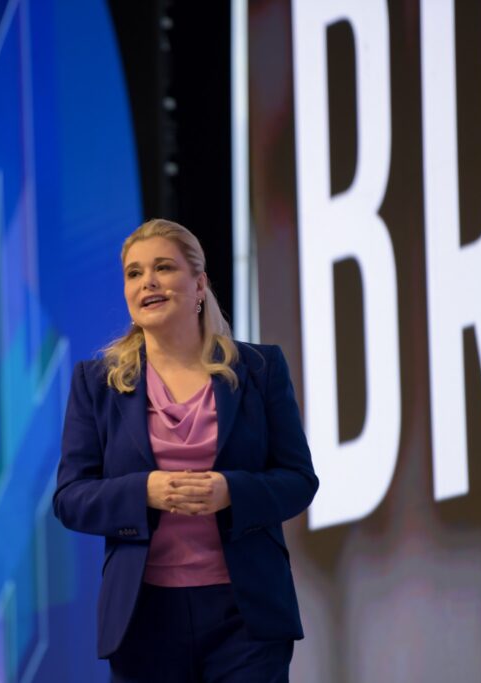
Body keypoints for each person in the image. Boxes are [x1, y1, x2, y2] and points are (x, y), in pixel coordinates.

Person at [54, 218, 319, 682]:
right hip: (143, 617)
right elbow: (70, 499)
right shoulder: (96, 384)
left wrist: (232, 491)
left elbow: (299, 481)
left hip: (247, 617)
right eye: (134, 273)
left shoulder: (260, 369)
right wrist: (144, 492)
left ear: (199, 284)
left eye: (163, 268)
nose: (147, 282)